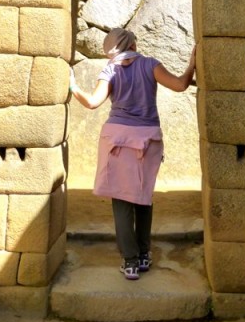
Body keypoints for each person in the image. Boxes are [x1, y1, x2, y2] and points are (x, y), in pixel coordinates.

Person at [69, 27, 196, 280]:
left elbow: (93, 103)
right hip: (147, 138)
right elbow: (181, 85)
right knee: (143, 194)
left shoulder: (110, 70)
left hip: (115, 137)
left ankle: (130, 261)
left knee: (121, 199)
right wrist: (192, 61)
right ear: (134, 45)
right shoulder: (150, 65)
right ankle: (145, 254)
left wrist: (73, 86)